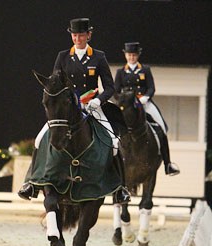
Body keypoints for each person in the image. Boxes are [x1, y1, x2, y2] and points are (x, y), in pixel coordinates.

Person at [18, 18, 130, 202]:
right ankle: (31, 183)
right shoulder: (63, 56)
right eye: (75, 35)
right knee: (40, 139)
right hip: (68, 107)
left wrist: (98, 100)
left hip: (92, 105)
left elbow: (110, 87)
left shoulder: (98, 56)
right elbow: (55, 83)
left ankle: (121, 189)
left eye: (81, 35)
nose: (77, 38)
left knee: (113, 141)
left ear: (89, 35)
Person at [114, 42, 180, 176]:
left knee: (161, 127)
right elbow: (115, 90)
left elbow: (151, 88)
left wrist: (145, 97)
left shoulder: (145, 70)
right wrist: (122, 99)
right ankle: (111, 162)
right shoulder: (121, 72)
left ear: (137, 55)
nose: (131, 57)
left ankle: (168, 164)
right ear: (126, 55)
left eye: (134, 55)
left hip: (143, 103)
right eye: (129, 55)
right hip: (127, 105)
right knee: (112, 127)